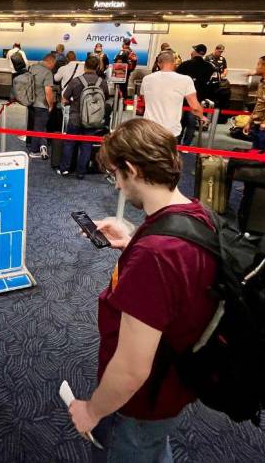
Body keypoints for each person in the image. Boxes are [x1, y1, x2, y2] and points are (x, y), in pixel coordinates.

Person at [67, 118, 218, 463]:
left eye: (115, 176)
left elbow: (133, 368)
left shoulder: (156, 257)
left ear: (132, 170)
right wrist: (133, 240)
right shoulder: (196, 214)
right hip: (175, 382)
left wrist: (92, 411)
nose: (117, 186)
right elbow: (183, 272)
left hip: (140, 402)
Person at [57, 55, 110, 178]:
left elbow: (64, 98)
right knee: (86, 145)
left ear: (85, 66)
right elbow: (105, 98)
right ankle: (81, 172)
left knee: (69, 143)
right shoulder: (101, 82)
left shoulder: (76, 81)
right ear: (97, 67)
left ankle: (65, 169)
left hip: (75, 117)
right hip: (93, 118)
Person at [141, 51, 207, 143]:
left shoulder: (146, 79)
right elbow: (195, 107)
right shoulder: (185, 80)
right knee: (167, 156)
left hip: (149, 127)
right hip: (170, 130)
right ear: (174, 63)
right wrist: (202, 117)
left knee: (147, 155)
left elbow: (144, 101)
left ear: (159, 64)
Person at [176, 44, 216, 146]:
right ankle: (186, 145)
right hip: (197, 100)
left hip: (182, 99)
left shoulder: (185, 65)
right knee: (191, 124)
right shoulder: (209, 67)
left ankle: (176, 144)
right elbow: (212, 84)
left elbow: (175, 80)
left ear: (195, 52)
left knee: (179, 122)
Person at [27, 53, 56, 159]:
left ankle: (40, 145)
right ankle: (34, 151)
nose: (54, 67)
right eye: (54, 64)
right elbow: (48, 91)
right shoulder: (48, 73)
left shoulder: (32, 67)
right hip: (41, 104)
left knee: (36, 125)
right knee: (39, 127)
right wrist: (51, 105)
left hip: (30, 102)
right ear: (50, 62)